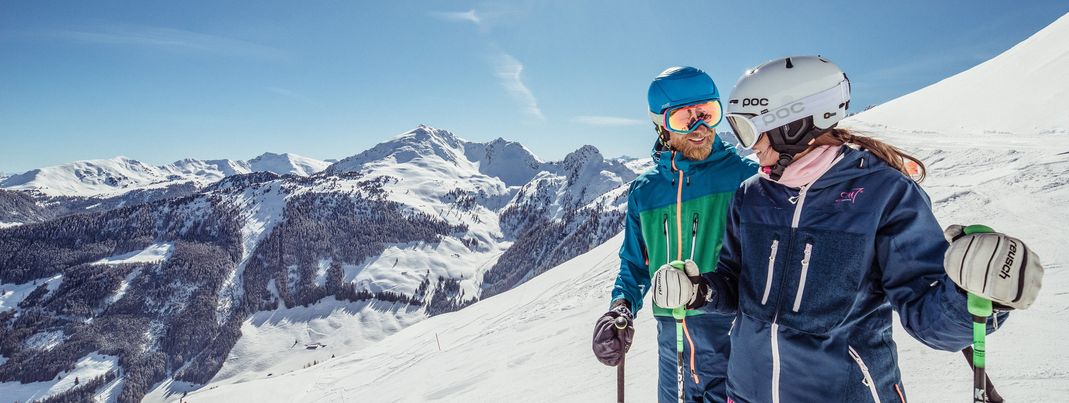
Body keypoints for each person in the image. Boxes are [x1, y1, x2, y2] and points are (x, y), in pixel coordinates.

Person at [650, 56, 1045, 402]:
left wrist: (975, 295)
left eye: (748, 130)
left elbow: (932, 323)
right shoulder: (752, 195)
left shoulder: (883, 193)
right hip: (745, 391)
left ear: (792, 125)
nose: (747, 146)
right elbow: (737, 285)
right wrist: (701, 290)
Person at [592, 66, 758, 402]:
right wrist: (621, 308)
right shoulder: (645, 191)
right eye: (686, 119)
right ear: (661, 125)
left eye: (708, 114)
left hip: (733, 346)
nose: (700, 128)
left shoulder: (745, 179)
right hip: (672, 354)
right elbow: (635, 264)